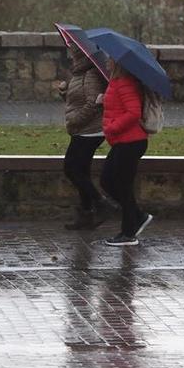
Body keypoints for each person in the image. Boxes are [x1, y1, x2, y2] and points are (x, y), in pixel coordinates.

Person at [59, 43, 117, 230]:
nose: (70, 55)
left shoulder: (90, 74)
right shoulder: (79, 74)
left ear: (80, 54)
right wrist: (64, 93)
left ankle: (102, 203)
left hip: (90, 130)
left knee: (71, 168)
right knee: (81, 171)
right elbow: (78, 101)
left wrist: (74, 120)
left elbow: (94, 104)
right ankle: (86, 215)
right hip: (83, 129)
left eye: (73, 52)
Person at [99, 58, 153, 246]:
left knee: (122, 185)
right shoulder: (116, 83)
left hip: (131, 141)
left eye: (110, 60)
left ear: (118, 64)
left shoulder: (125, 83)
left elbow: (133, 112)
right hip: (123, 142)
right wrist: (102, 100)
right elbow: (118, 106)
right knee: (107, 180)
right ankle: (137, 216)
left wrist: (112, 128)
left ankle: (128, 233)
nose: (107, 63)